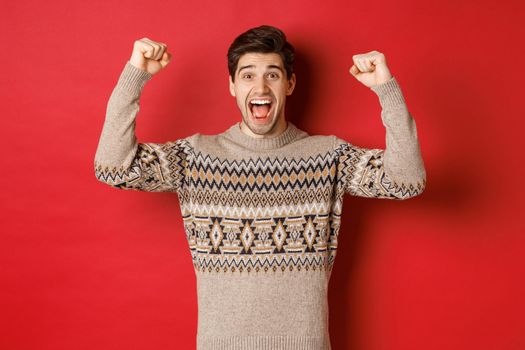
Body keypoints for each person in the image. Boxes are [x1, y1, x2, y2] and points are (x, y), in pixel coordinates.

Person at [94, 25, 426, 350]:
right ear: (232, 86)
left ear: (290, 84)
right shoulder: (195, 157)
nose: (261, 87)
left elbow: (407, 181)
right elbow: (112, 167)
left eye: (273, 74)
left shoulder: (328, 156)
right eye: (248, 75)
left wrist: (386, 89)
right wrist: (135, 73)